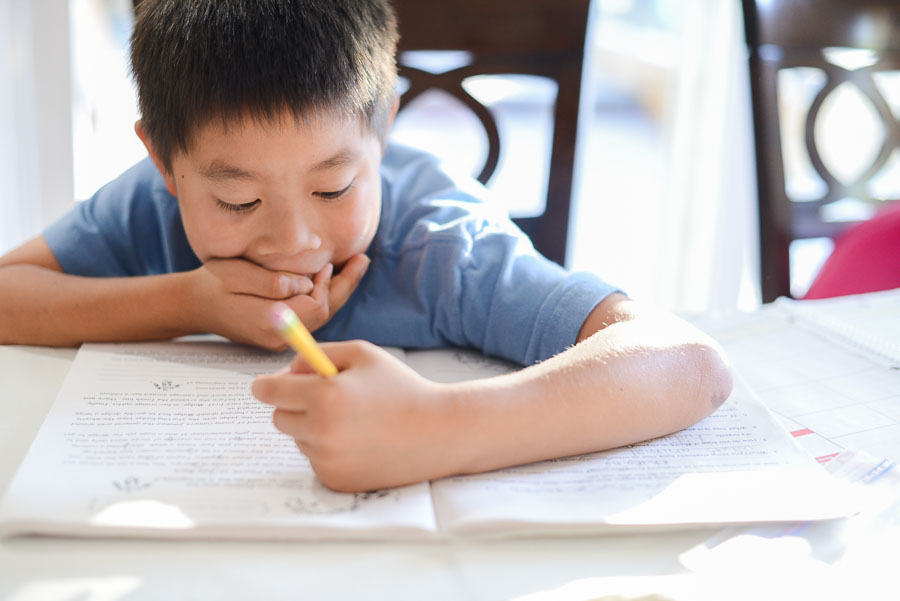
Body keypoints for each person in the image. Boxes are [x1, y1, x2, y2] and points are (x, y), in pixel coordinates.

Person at [0, 0, 732, 492]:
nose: (293, 238)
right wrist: (190, 299)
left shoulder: (439, 248)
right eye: (238, 201)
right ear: (164, 162)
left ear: (383, 125)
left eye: (334, 187)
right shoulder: (149, 205)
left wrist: (437, 429)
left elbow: (689, 365)